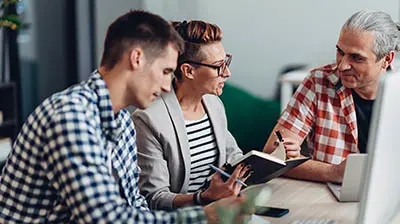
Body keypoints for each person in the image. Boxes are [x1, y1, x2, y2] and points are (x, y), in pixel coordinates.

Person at [0, 10, 250, 223]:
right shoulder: (71, 116)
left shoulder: (121, 122)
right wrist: (204, 216)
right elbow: (106, 218)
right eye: (165, 71)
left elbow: (135, 206)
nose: (166, 86)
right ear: (137, 58)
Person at [263, 10, 398, 183]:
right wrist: (333, 172)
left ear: (386, 60)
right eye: (340, 52)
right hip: (326, 196)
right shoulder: (318, 82)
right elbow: (271, 157)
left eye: (356, 58)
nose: (342, 66)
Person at [132, 20, 251, 211]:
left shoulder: (213, 104)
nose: (227, 73)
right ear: (188, 71)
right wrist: (202, 198)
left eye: (226, 62)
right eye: (219, 66)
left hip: (222, 212)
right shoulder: (148, 119)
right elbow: (155, 198)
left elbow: (233, 156)